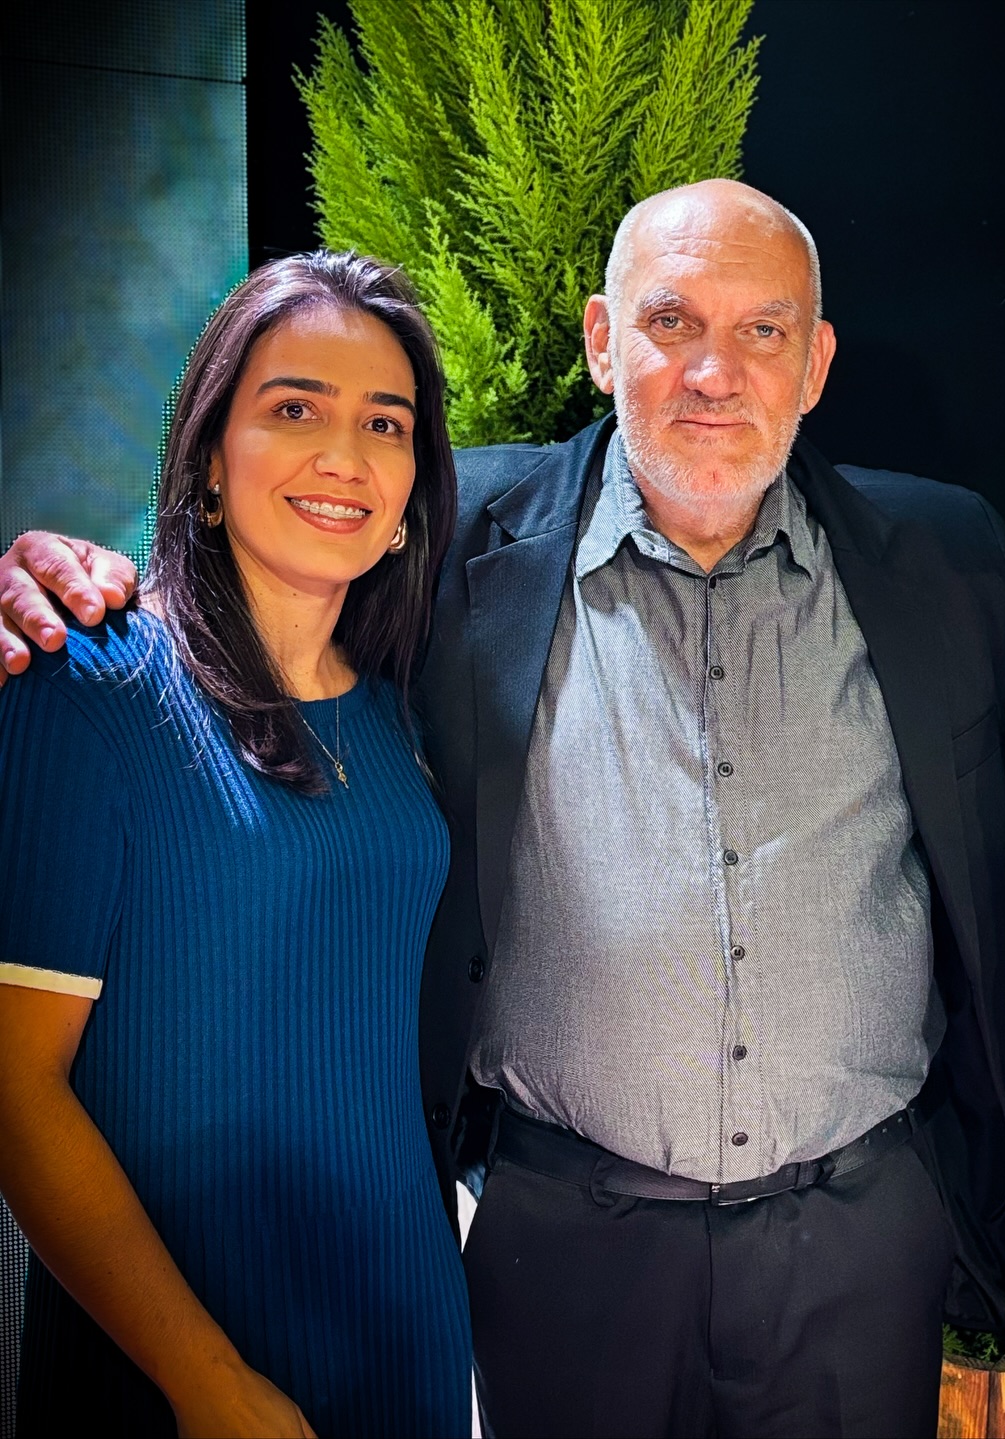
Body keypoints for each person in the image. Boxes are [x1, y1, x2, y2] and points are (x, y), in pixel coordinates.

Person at [3, 180, 1005, 1438]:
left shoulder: (948, 558)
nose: (714, 369)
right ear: (600, 340)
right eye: (673, 321)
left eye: (763, 331)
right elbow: (271, 568)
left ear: (816, 364)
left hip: (865, 1243)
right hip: (565, 1243)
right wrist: (80, 583)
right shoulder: (448, 537)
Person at [0, 251, 472, 1437]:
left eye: (385, 422)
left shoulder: (399, 710)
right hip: (178, 1370)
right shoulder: (90, 686)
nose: (345, 455)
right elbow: (13, 1090)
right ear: (210, 453)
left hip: (405, 1339)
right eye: (294, 408)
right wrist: (204, 1379)